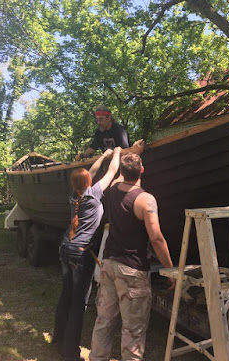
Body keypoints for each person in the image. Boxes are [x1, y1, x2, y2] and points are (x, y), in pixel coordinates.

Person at [89, 153, 175, 361]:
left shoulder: (111, 191)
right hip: (132, 271)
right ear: (142, 170)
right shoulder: (145, 199)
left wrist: (119, 153)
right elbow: (156, 239)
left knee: (104, 321)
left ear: (122, 172)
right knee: (133, 329)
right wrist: (171, 271)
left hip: (108, 266)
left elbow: (116, 176)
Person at [53, 147, 122, 361]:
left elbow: (91, 172)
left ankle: (58, 338)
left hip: (65, 249)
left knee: (66, 295)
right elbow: (111, 172)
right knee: (78, 303)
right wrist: (118, 152)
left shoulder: (74, 195)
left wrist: (102, 155)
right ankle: (70, 353)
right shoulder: (93, 194)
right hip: (80, 255)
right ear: (88, 183)